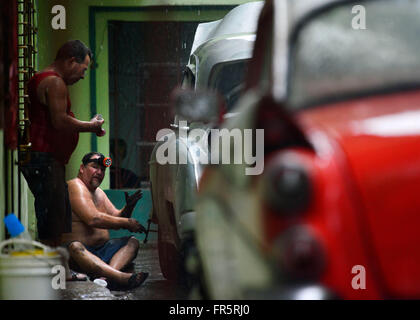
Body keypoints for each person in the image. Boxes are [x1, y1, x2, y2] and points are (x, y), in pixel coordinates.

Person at [21, 40, 105, 250]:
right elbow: (60, 121)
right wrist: (91, 126)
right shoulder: (55, 82)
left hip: (45, 159)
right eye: (83, 69)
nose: (83, 75)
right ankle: (53, 271)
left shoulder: (41, 78)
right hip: (45, 159)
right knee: (52, 219)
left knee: (54, 217)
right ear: (70, 61)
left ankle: (58, 269)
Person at [60, 152, 149, 290]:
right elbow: (93, 219)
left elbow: (117, 217)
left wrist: (128, 207)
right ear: (82, 168)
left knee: (133, 242)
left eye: (102, 169)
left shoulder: (99, 192)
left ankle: (105, 277)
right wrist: (127, 222)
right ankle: (119, 277)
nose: (99, 172)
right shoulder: (75, 186)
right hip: (81, 255)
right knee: (75, 247)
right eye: (95, 167)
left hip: (103, 250)